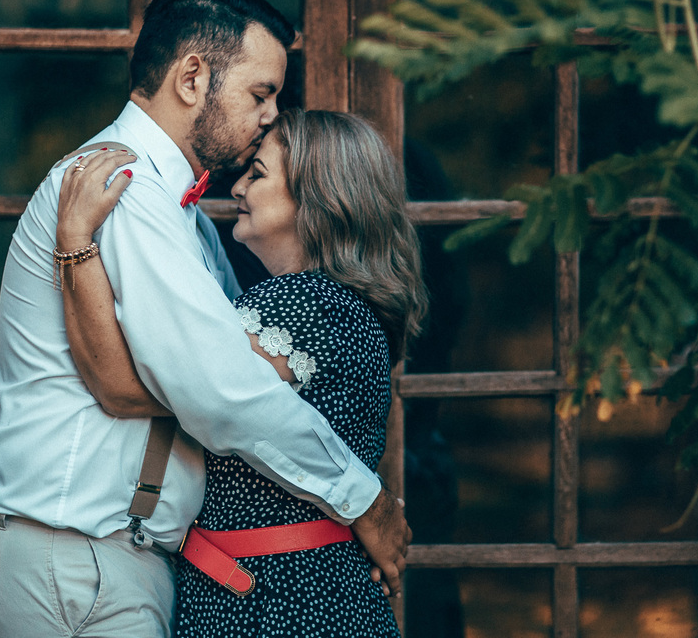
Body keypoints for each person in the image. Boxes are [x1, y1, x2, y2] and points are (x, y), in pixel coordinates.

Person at [0, 0, 410, 638]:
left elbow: (190, 379)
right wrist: (363, 499)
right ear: (192, 78)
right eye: (260, 93)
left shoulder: (181, 215)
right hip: (66, 559)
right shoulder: (125, 188)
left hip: (96, 559)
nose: (271, 116)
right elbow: (217, 390)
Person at [57, 108, 425, 636]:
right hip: (310, 589)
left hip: (277, 600)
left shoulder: (301, 304)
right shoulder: (343, 306)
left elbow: (124, 388)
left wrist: (75, 241)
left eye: (258, 174)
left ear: (317, 198)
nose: (237, 187)